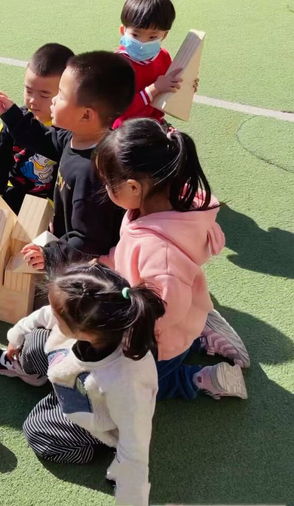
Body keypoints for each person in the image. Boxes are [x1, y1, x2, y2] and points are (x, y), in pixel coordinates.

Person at [0, 260, 164, 506]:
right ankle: (37, 377)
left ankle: (88, 448)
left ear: (83, 331)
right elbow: (45, 315)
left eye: (60, 318)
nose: (51, 314)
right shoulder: (95, 319)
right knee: (34, 340)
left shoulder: (125, 383)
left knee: (36, 431)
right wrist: (16, 335)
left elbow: (136, 441)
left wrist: (125, 476)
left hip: (93, 418)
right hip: (73, 379)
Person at [96, 118, 249, 400]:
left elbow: (163, 314)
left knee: (132, 390)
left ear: (132, 187)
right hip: (180, 309)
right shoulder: (157, 206)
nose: (105, 188)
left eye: (107, 182)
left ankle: (205, 379)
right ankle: (200, 331)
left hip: (161, 340)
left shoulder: (161, 254)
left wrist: (119, 328)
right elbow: (131, 253)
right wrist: (105, 262)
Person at [0, 51, 134, 265]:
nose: (53, 101)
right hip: (68, 239)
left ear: (86, 115)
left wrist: (51, 254)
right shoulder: (76, 137)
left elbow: (89, 239)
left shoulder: (93, 173)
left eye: (61, 95)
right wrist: (12, 115)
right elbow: (41, 137)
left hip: (91, 263)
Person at [0, 43, 73, 213]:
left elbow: (65, 173)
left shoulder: (67, 130)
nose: (33, 100)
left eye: (44, 95)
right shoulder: (15, 120)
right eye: (29, 90)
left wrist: (53, 207)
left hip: (48, 201)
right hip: (16, 190)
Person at [114, 0, 188, 128]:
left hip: (154, 124)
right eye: (135, 34)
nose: (142, 42)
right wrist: (154, 89)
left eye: (152, 37)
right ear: (123, 30)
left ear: (164, 35)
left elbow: (167, 93)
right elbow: (119, 110)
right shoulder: (116, 65)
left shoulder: (163, 56)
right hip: (124, 132)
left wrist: (185, 85)